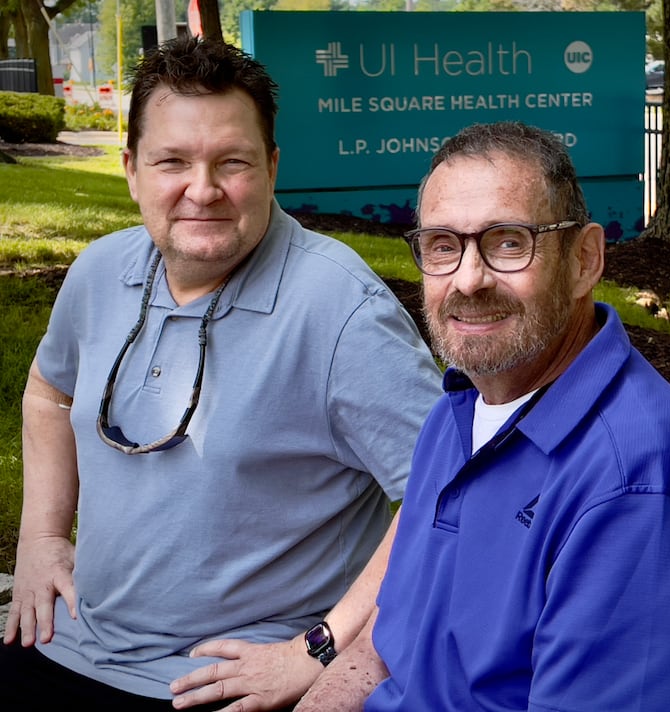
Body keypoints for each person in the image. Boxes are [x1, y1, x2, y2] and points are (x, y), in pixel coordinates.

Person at [0, 35, 442, 711]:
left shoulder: (339, 310)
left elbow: (450, 498)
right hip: (70, 639)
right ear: (131, 169)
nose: (201, 191)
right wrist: (40, 539)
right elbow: (46, 393)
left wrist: (319, 650)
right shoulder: (99, 272)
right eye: (171, 161)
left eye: (231, 163)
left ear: (270, 166)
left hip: (225, 680)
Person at [295, 121, 670, 711]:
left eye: (509, 242)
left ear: (585, 259)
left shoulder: (634, 479)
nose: (468, 279)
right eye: (443, 246)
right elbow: (387, 643)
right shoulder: (455, 414)